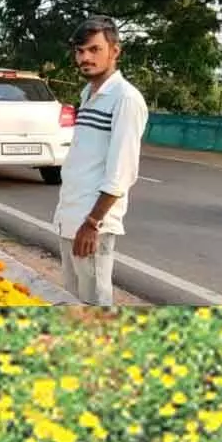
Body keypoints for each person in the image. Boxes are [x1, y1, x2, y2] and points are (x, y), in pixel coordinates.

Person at [52, 15, 149, 307]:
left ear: (114, 51)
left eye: (94, 50)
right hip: (70, 217)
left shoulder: (125, 99)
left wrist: (92, 223)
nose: (85, 58)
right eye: (80, 51)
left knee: (96, 304)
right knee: (73, 302)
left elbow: (122, 171)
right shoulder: (89, 93)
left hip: (92, 224)